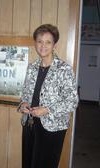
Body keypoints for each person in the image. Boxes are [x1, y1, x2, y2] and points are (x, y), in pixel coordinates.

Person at [17, 24, 78, 168]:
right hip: (30, 124)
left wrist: (47, 109)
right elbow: (25, 94)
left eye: (48, 42)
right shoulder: (31, 67)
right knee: (28, 163)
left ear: (54, 45)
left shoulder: (64, 69)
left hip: (52, 127)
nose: (43, 45)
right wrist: (24, 104)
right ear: (35, 43)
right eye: (40, 41)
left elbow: (72, 101)